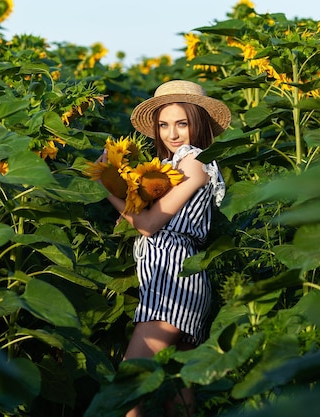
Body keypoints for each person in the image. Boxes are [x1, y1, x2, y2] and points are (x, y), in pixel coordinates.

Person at [98, 79, 230, 416]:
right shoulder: (172, 166)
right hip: (175, 277)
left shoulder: (195, 162)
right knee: (177, 392)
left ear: (198, 124)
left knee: (129, 386)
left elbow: (149, 225)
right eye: (164, 125)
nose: (172, 133)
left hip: (173, 280)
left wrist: (106, 182)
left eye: (182, 124)